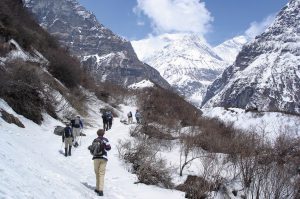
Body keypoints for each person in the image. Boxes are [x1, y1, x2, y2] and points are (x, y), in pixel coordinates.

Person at [88, 129, 111, 196]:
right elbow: (108, 148)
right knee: (101, 174)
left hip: (96, 158)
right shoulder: (105, 140)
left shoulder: (95, 140)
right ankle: (100, 190)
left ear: (97, 134)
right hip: (103, 158)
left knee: (97, 173)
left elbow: (92, 149)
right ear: (103, 134)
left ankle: (97, 188)